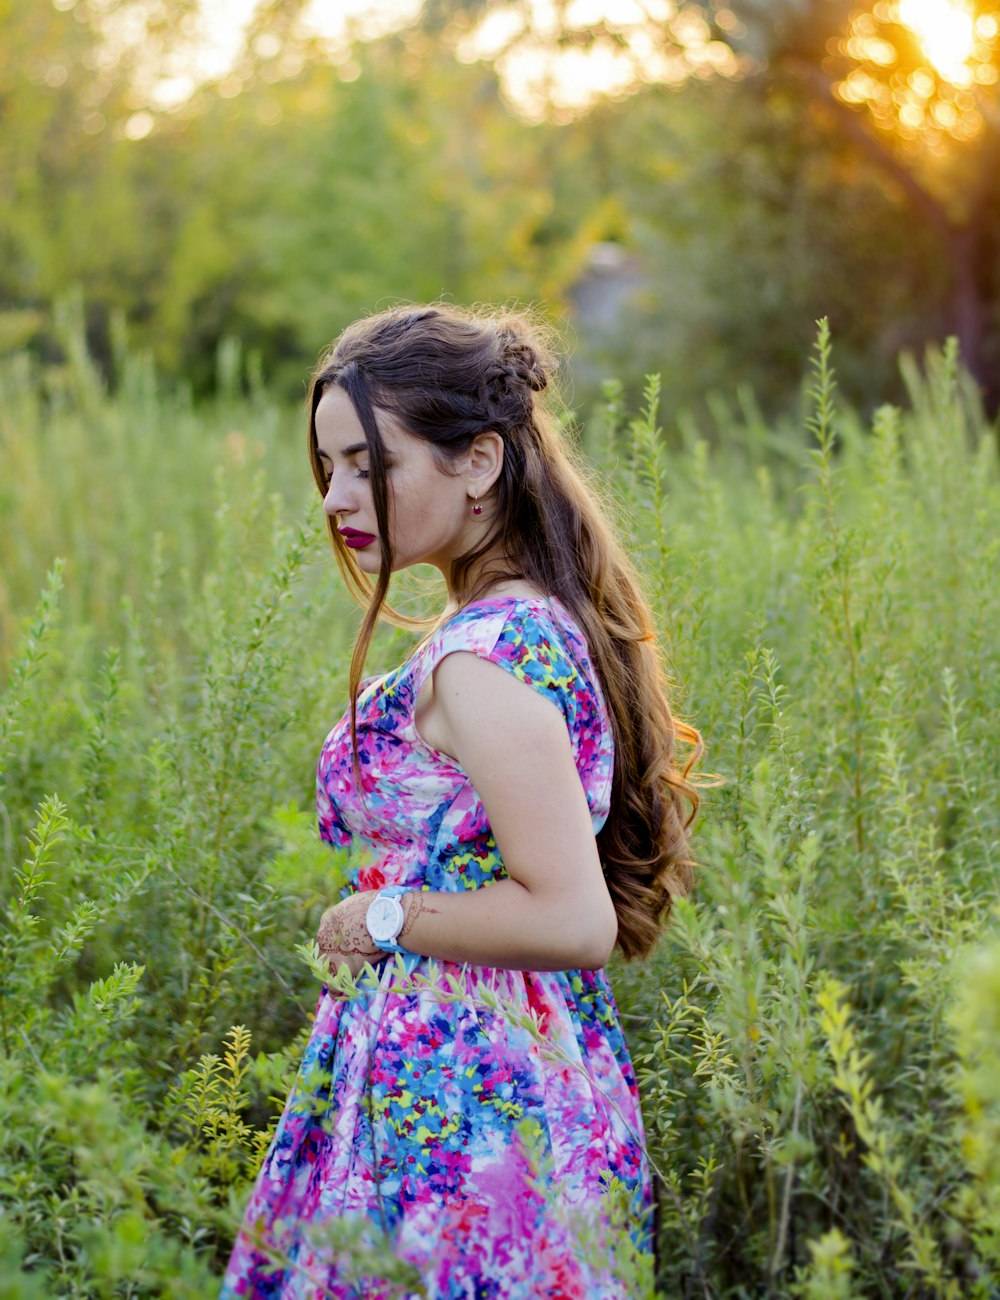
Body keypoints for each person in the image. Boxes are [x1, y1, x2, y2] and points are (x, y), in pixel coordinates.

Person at [219, 302, 701, 1299]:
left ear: (476, 463)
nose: (337, 498)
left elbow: (571, 918)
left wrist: (378, 914)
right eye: (331, 468)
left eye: (370, 465)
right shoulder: (523, 624)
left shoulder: (482, 662)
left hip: (467, 1119)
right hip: (492, 1081)